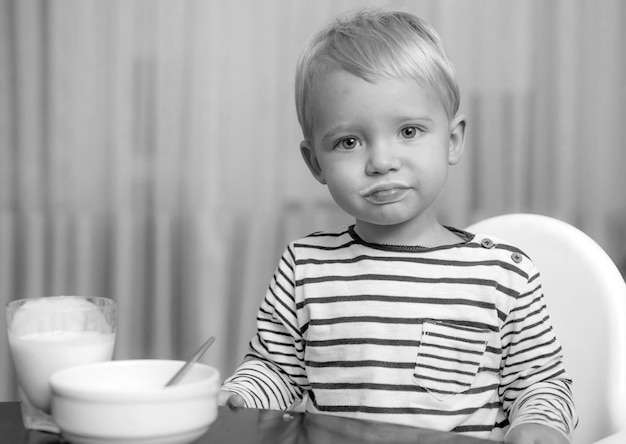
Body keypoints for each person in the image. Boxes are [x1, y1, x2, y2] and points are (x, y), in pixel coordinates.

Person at [220, 8, 577, 444]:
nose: (382, 162)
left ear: (452, 141)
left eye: (409, 131)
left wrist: (537, 423)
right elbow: (275, 371)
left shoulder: (504, 275)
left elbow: (541, 383)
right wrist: (239, 397)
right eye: (348, 142)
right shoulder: (305, 267)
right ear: (315, 162)